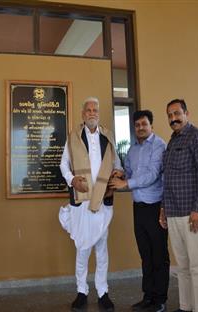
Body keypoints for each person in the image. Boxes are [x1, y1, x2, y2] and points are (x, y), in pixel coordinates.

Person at [59, 97, 122, 312]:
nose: (92, 112)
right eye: (88, 110)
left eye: (95, 109)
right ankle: (81, 291)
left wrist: (118, 174)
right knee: (82, 247)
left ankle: (103, 291)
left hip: (102, 200)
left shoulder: (108, 137)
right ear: (83, 113)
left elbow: (118, 165)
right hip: (82, 200)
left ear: (99, 113)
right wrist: (72, 180)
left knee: (102, 248)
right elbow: (63, 164)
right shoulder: (73, 137)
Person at [109, 110, 169, 312]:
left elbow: (152, 175)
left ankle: (160, 300)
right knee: (145, 255)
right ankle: (148, 296)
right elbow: (130, 172)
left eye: (144, 124)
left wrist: (126, 182)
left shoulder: (159, 145)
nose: (140, 128)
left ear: (151, 125)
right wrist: (122, 173)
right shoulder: (133, 150)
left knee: (159, 255)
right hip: (138, 208)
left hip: (155, 207)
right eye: (137, 125)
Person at [160, 99, 198, 312]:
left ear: (186, 113)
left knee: (197, 266)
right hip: (173, 213)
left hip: (193, 214)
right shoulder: (171, 142)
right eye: (170, 115)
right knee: (182, 266)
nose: (173, 118)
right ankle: (185, 306)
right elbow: (167, 178)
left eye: (177, 113)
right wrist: (163, 209)